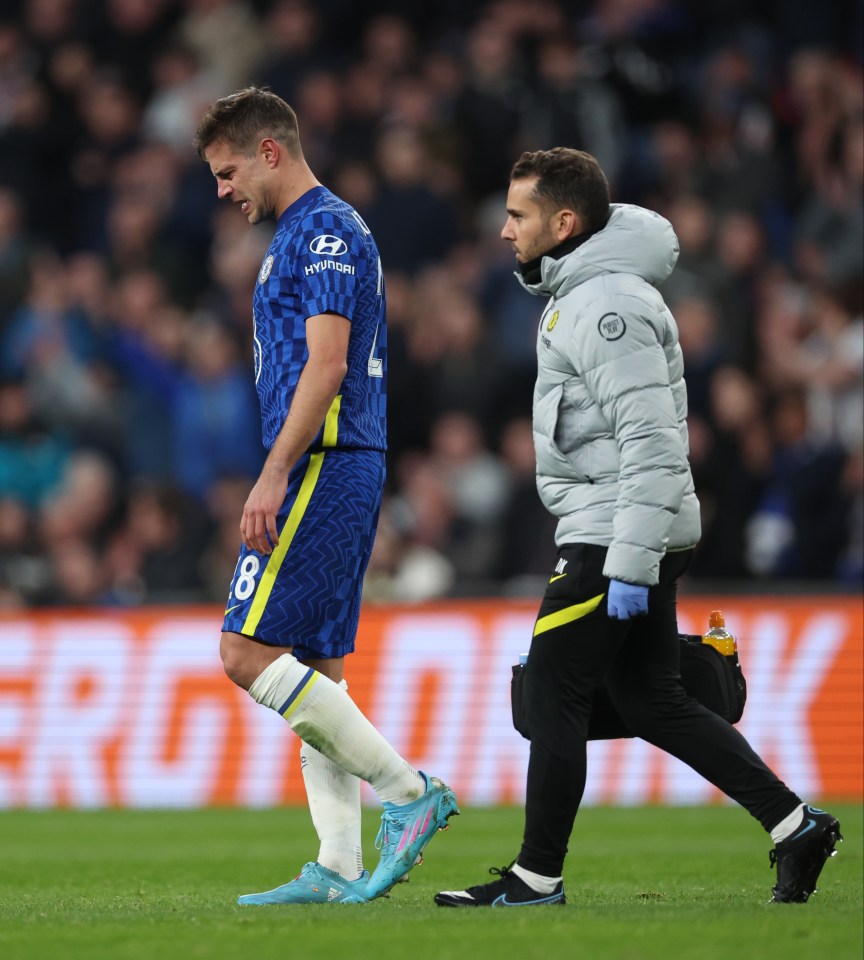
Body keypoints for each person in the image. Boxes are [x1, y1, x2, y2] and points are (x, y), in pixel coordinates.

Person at [434, 148, 841, 908]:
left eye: (517, 215)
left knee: (553, 686)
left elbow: (654, 442)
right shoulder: (589, 294)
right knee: (653, 699)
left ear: (563, 222)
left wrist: (626, 560)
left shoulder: (605, 307)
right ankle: (796, 826)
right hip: (620, 522)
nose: (502, 230)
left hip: (614, 527)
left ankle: (535, 877)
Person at [194, 87, 458, 906]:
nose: (221, 189)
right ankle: (340, 864)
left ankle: (410, 793)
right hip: (332, 461)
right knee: (317, 668)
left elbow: (328, 364)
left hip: (325, 463)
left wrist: (273, 473)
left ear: (269, 151)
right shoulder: (299, 234)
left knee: (245, 653)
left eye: (227, 170)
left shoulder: (326, 230)